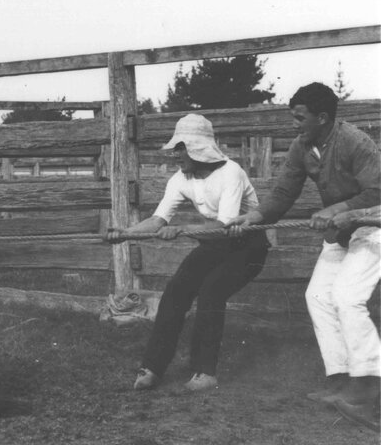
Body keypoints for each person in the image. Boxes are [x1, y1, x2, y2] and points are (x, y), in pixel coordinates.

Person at [227, 83, 380, 429]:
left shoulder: (355, 142)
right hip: (340, 231)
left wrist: (342, 208)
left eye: (300, 118)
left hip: (374, 225)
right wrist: (253, 217)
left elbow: (379, 190)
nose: (295, 124)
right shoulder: (302, 146)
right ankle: (340, 380)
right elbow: (284, 191)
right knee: (318, 296)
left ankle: (370, 389)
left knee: (347, 297)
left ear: (322, 117)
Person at [108, 113, 269, 392]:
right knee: (175, 290)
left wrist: (180, 229)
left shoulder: (231, 172)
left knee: (211, 290)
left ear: (199, 148)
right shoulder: (180, 178)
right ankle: (152, 368)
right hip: (215, 244)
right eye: (175, 148)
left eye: (181, 148)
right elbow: (158, 221)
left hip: (248, 247)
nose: (176, 155)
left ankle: (205, 373)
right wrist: (122, 234)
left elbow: (223, 227)